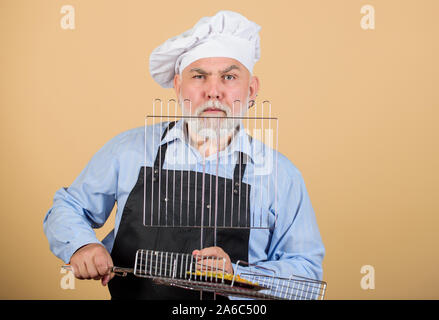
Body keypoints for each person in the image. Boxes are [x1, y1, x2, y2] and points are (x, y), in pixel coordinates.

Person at [43, 10, 325, 300]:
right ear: (178, 87)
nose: (213, 92)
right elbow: (68, 206)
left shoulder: (282, 176)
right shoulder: (128, 150)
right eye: (199, 76)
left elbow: (307, 275)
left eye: (229, 76)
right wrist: (81, 245)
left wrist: (238, 277)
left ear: (251, 90)